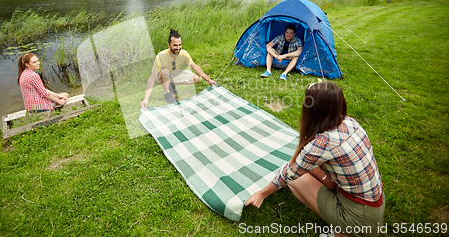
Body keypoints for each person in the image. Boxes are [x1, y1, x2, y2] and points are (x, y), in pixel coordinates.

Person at [245, 82, 384, 237]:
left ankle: (341, 232)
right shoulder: (350, 122)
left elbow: (288, 174)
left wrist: (261, 194)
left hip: (360, 219)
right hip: (372, 205)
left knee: (295, 180)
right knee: (308, 167)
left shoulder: (323, 143)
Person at [140, 29, 217, 110]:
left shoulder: (184, 53)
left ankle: (171, 85)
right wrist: (146, 99)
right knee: (165, 71)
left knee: (196, 78)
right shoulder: (161, 56)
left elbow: (195, 67)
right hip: (159, 76)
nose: (178, 48)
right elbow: (152, 78)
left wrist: (209, 80)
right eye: (175, 45)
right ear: (169, 45)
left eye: (180, 45)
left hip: (172, 73)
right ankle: (167, 94)